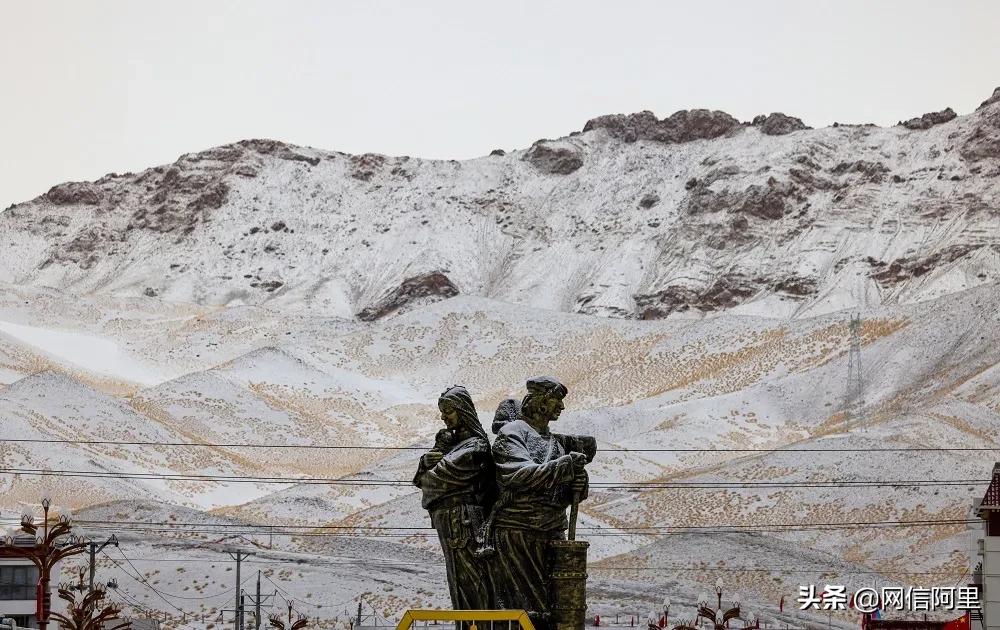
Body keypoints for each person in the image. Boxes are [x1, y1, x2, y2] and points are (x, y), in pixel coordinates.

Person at [488, 376, 596, 630]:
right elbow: (518, 476)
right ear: (540, 402)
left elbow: (563, 492)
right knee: (524, 608)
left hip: (552, 531)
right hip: (518, 534)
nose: (561, 407)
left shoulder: (555, 443)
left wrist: (576, 486)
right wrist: (565, 465)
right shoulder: (512, 433)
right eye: (556, 400)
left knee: (553, 608)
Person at [413, 386, 496, 611]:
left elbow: (433, 481)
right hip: (451, 521)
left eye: (448, 411)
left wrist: (429, 468)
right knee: (457, 580)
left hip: (464, 521)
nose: (444, 417)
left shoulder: (475, 447)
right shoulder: (452, 446)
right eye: (442, 412)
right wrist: (425, 463)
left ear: (462, 410)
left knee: (471, 579)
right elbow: (423, 480)